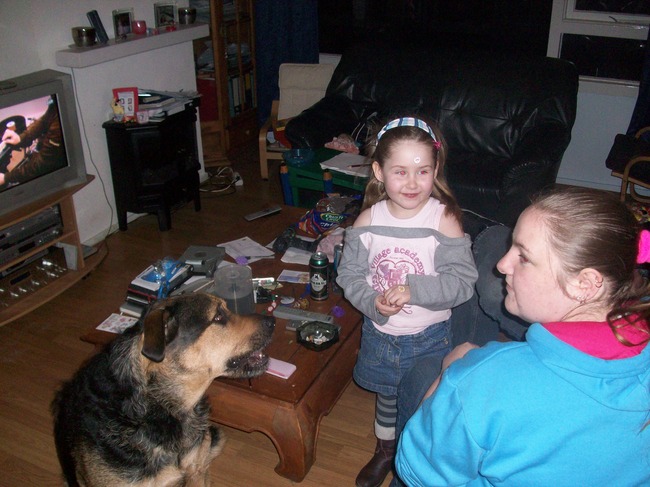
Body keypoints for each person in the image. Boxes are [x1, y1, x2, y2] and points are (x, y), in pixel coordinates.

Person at [395, 187, 650, 486]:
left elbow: (416, 473)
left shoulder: (485, 381)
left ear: (585, 284)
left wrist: (451, 379)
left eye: (524, 257)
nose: (503, 265)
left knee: (424, 372)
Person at [336, 116, 478, 487]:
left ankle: (412, 452)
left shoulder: (443, 220)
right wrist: (372, 302)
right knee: (387, 398)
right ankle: (386, 449)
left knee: (421, 401)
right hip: (381, 334)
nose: (412, 183)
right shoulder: (366, 221)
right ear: (378, 172)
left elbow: (463, 283)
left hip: (429, 336)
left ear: (436, 170)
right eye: (400, 172)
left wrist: (415, 291)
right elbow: (349, 276)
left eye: (422, 171)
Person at [0, 96, 66, 186]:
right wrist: (21, 138)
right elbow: (46, 118)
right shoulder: (56, 101)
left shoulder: (59, 125)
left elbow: (43, 164)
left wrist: (6, 177)